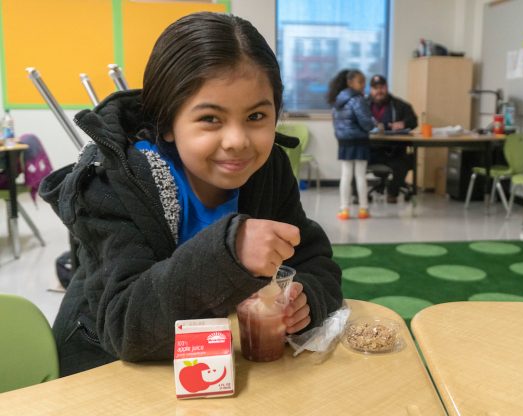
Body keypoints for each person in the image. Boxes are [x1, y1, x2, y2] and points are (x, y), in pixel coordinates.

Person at [39, 12, 343, 376]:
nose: (237, 141)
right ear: (167, 123)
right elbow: (125, 326)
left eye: (257, 117)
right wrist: (228, 254)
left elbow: (313, 259)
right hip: (106, 369)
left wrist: (305, 298)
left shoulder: (267, 169)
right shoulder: (116, 182)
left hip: (210, 363)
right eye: (211, 119)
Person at [328, 69, 376, 220]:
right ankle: (363, 209)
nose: (364, 85)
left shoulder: (338, 100)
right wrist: (375, 124)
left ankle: (344, 210)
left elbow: (336, 123)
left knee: (346, 175)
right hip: (359, 140)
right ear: (350, 82)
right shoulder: (358, 99)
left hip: (344, 141)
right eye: (360, 81)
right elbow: (366, 123)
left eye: (364, 82)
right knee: (360, 175)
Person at [367, 75, 417, 203]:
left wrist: (403, 124)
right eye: (375, 88)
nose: (379, 91)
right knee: (355, 160)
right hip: (371, 151)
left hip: (394, 150)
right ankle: (358, 195)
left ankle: (392, 192)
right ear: (370, 90)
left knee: (404, 162)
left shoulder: (399, 105)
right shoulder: (363, 105)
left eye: (382, 87)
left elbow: (413, 120)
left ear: (387, 88)